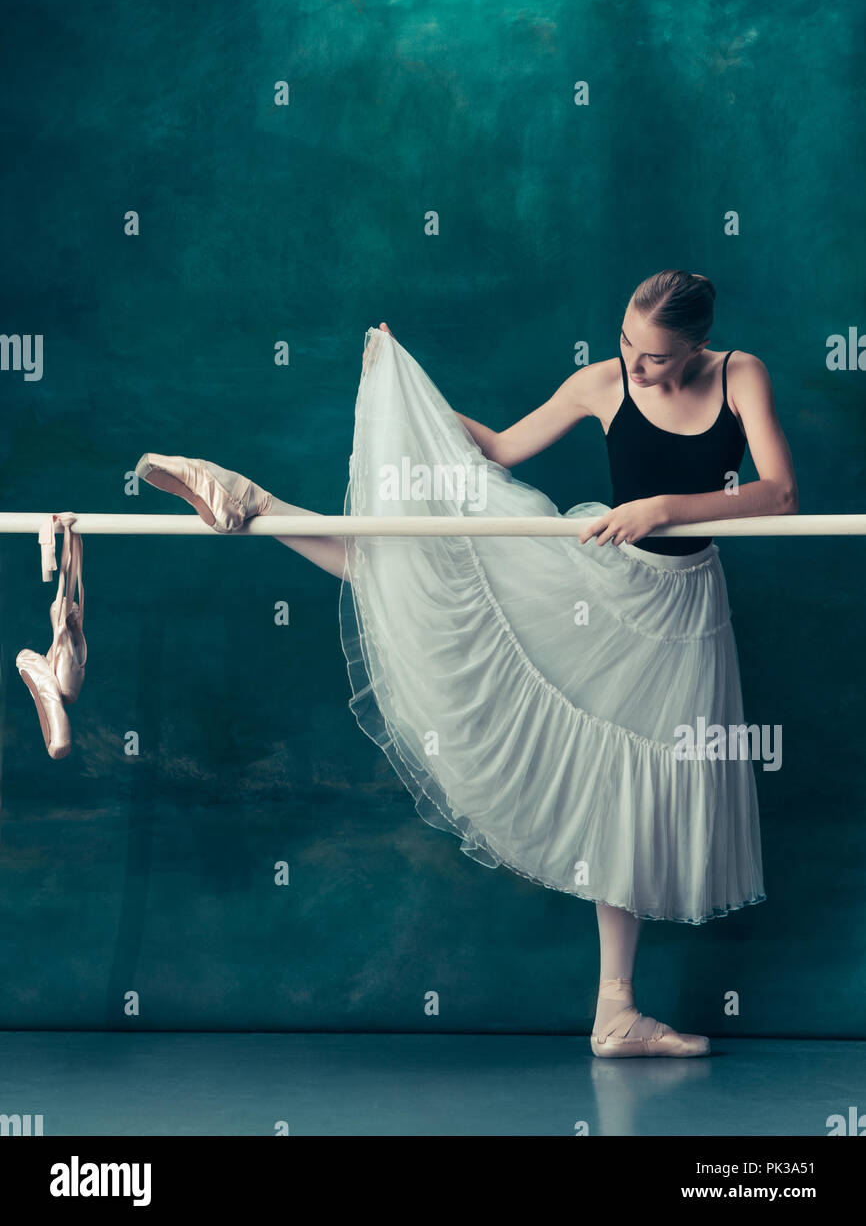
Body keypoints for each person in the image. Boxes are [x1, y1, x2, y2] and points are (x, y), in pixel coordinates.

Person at [135, 269, 798, 1057]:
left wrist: (663, 509)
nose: (636, 365)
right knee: (418, 575)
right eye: (626, 345)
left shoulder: (740, 375)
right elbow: (503, 447)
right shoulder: (601, 383)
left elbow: (780, 494)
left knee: (634, 795)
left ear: (696, 347)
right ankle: (256, 504)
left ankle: (615, 1011)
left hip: (683, 609)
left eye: (654, 357)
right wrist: (408, 404)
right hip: (605, 585)